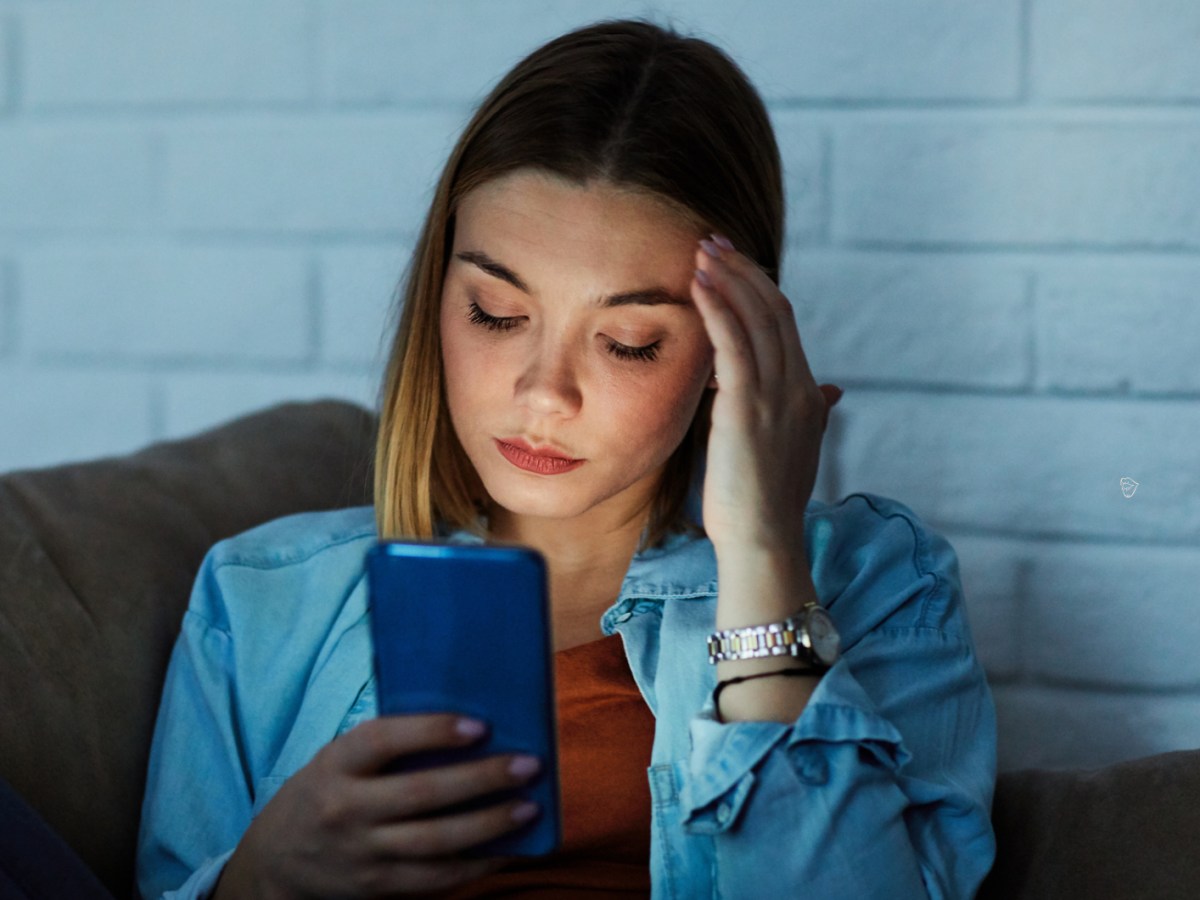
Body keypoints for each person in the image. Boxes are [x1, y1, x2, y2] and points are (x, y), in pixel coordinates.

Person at [135, 17, 997, 899]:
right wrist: (259, 882)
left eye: (626, 341)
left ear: (729, 348)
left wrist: (762, 553)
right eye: (496, 313)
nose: (545, 394)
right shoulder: (258, 601)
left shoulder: (881, 585)